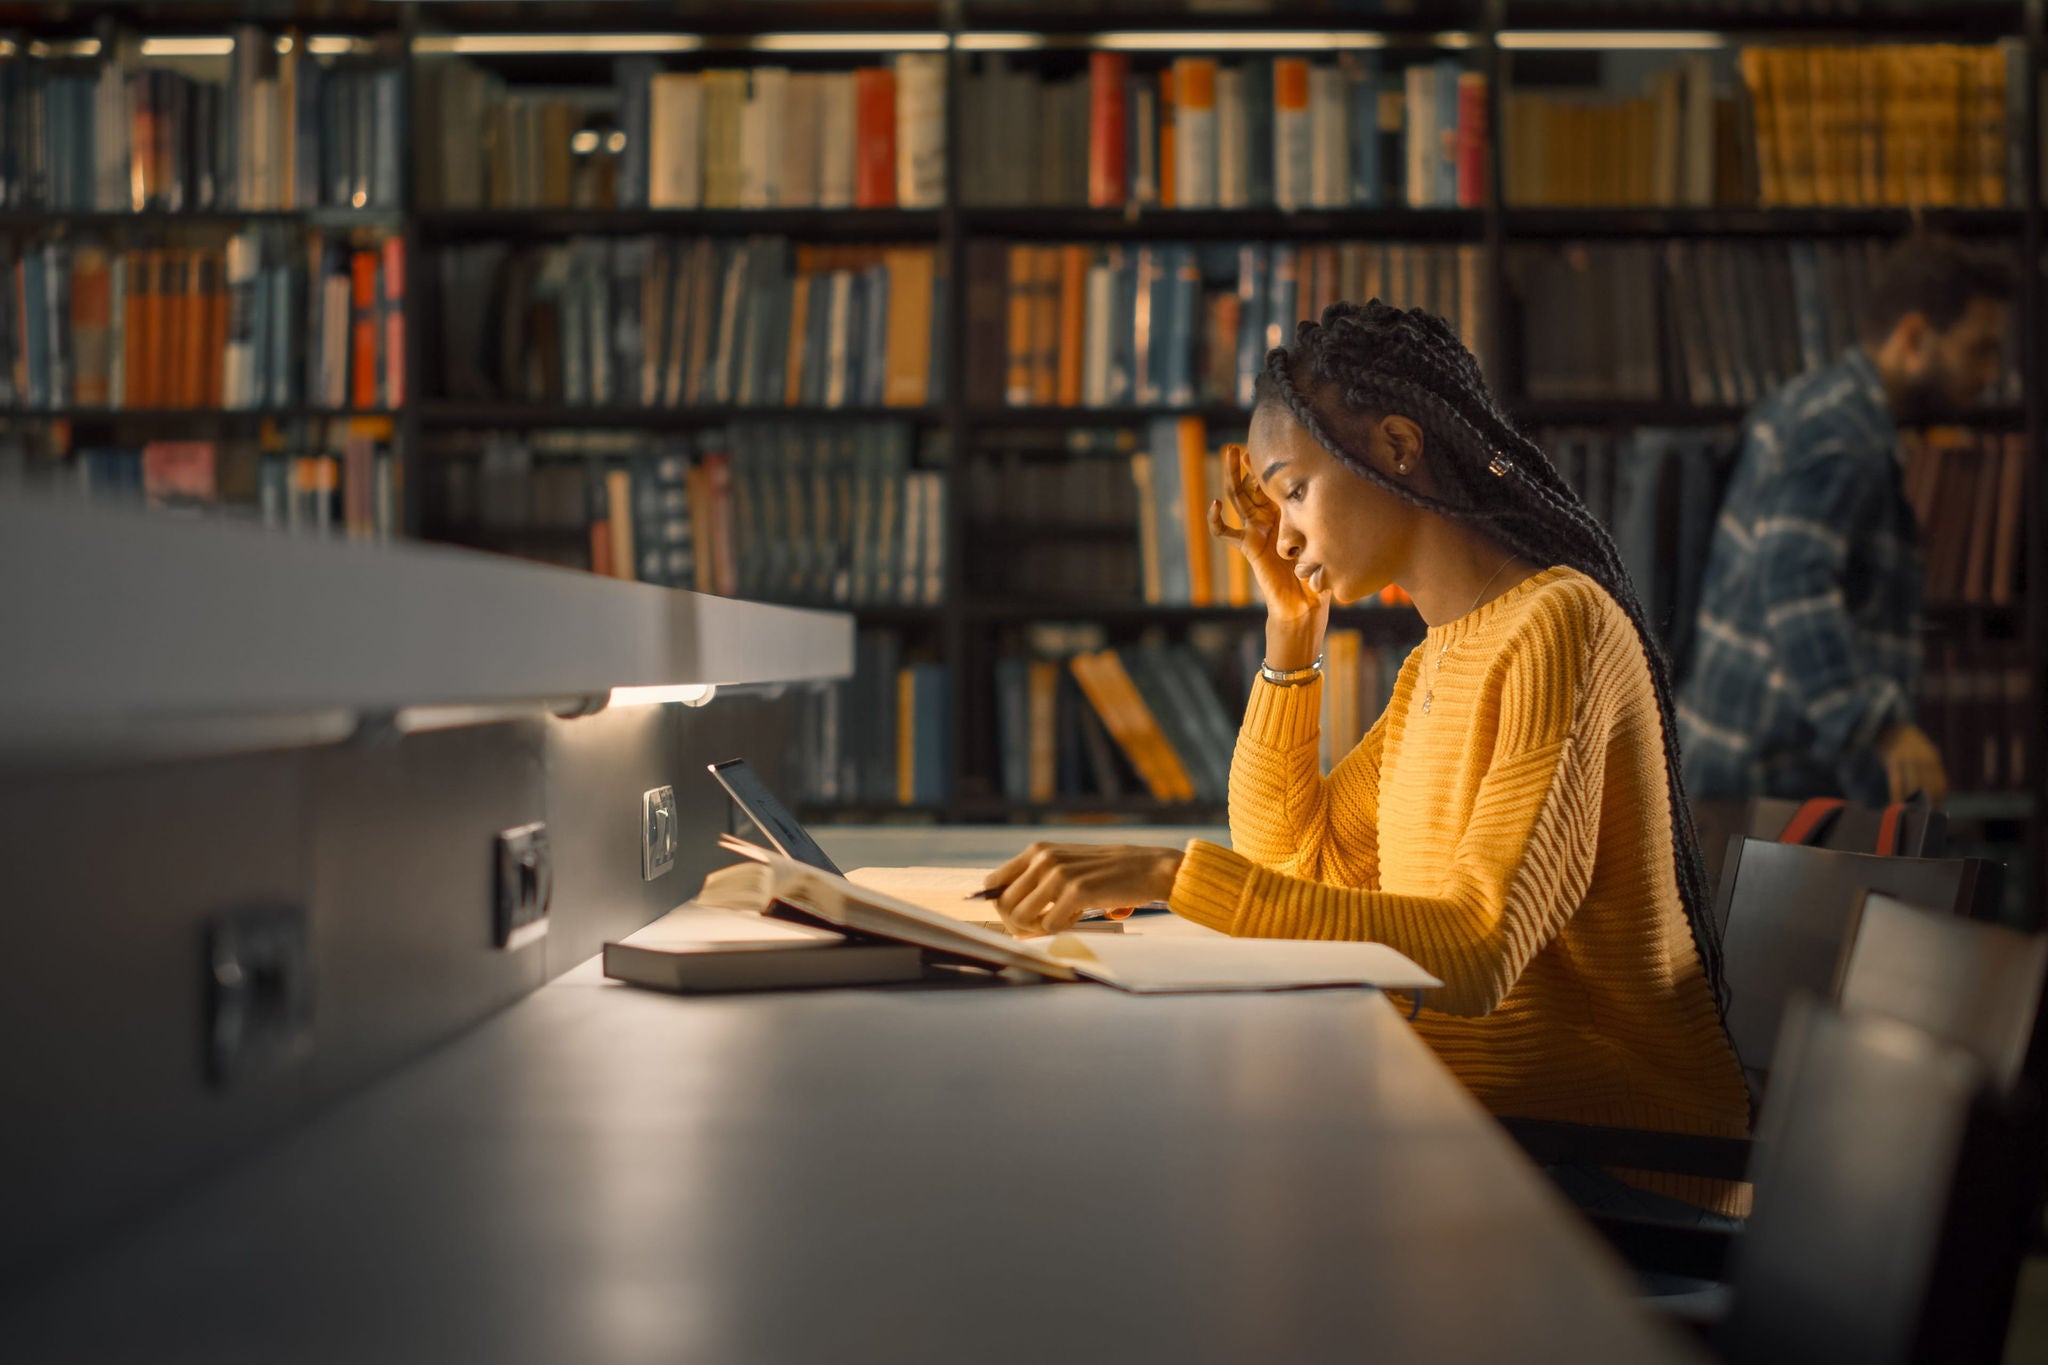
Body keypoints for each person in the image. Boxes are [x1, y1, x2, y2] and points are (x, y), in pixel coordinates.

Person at [985, 300, 1752, 1220]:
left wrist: (1164, 868)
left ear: (1397, 445)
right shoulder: (1436, 662)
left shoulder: (1561, 626)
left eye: (1294, 490)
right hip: (1501, 1132)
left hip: (1618, 1165)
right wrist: (1292, 630)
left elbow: (1474, 949)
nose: (1285, 533)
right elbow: (1290, 859)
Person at [1678, 233, 2014, 808]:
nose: (1991, 374)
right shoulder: (1842, 436)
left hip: (1752, 760)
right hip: (1766, 777)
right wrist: (1882, 727)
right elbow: (1795, 589)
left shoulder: (1820, 403)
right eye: (1978, 349)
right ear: (1914, 338)